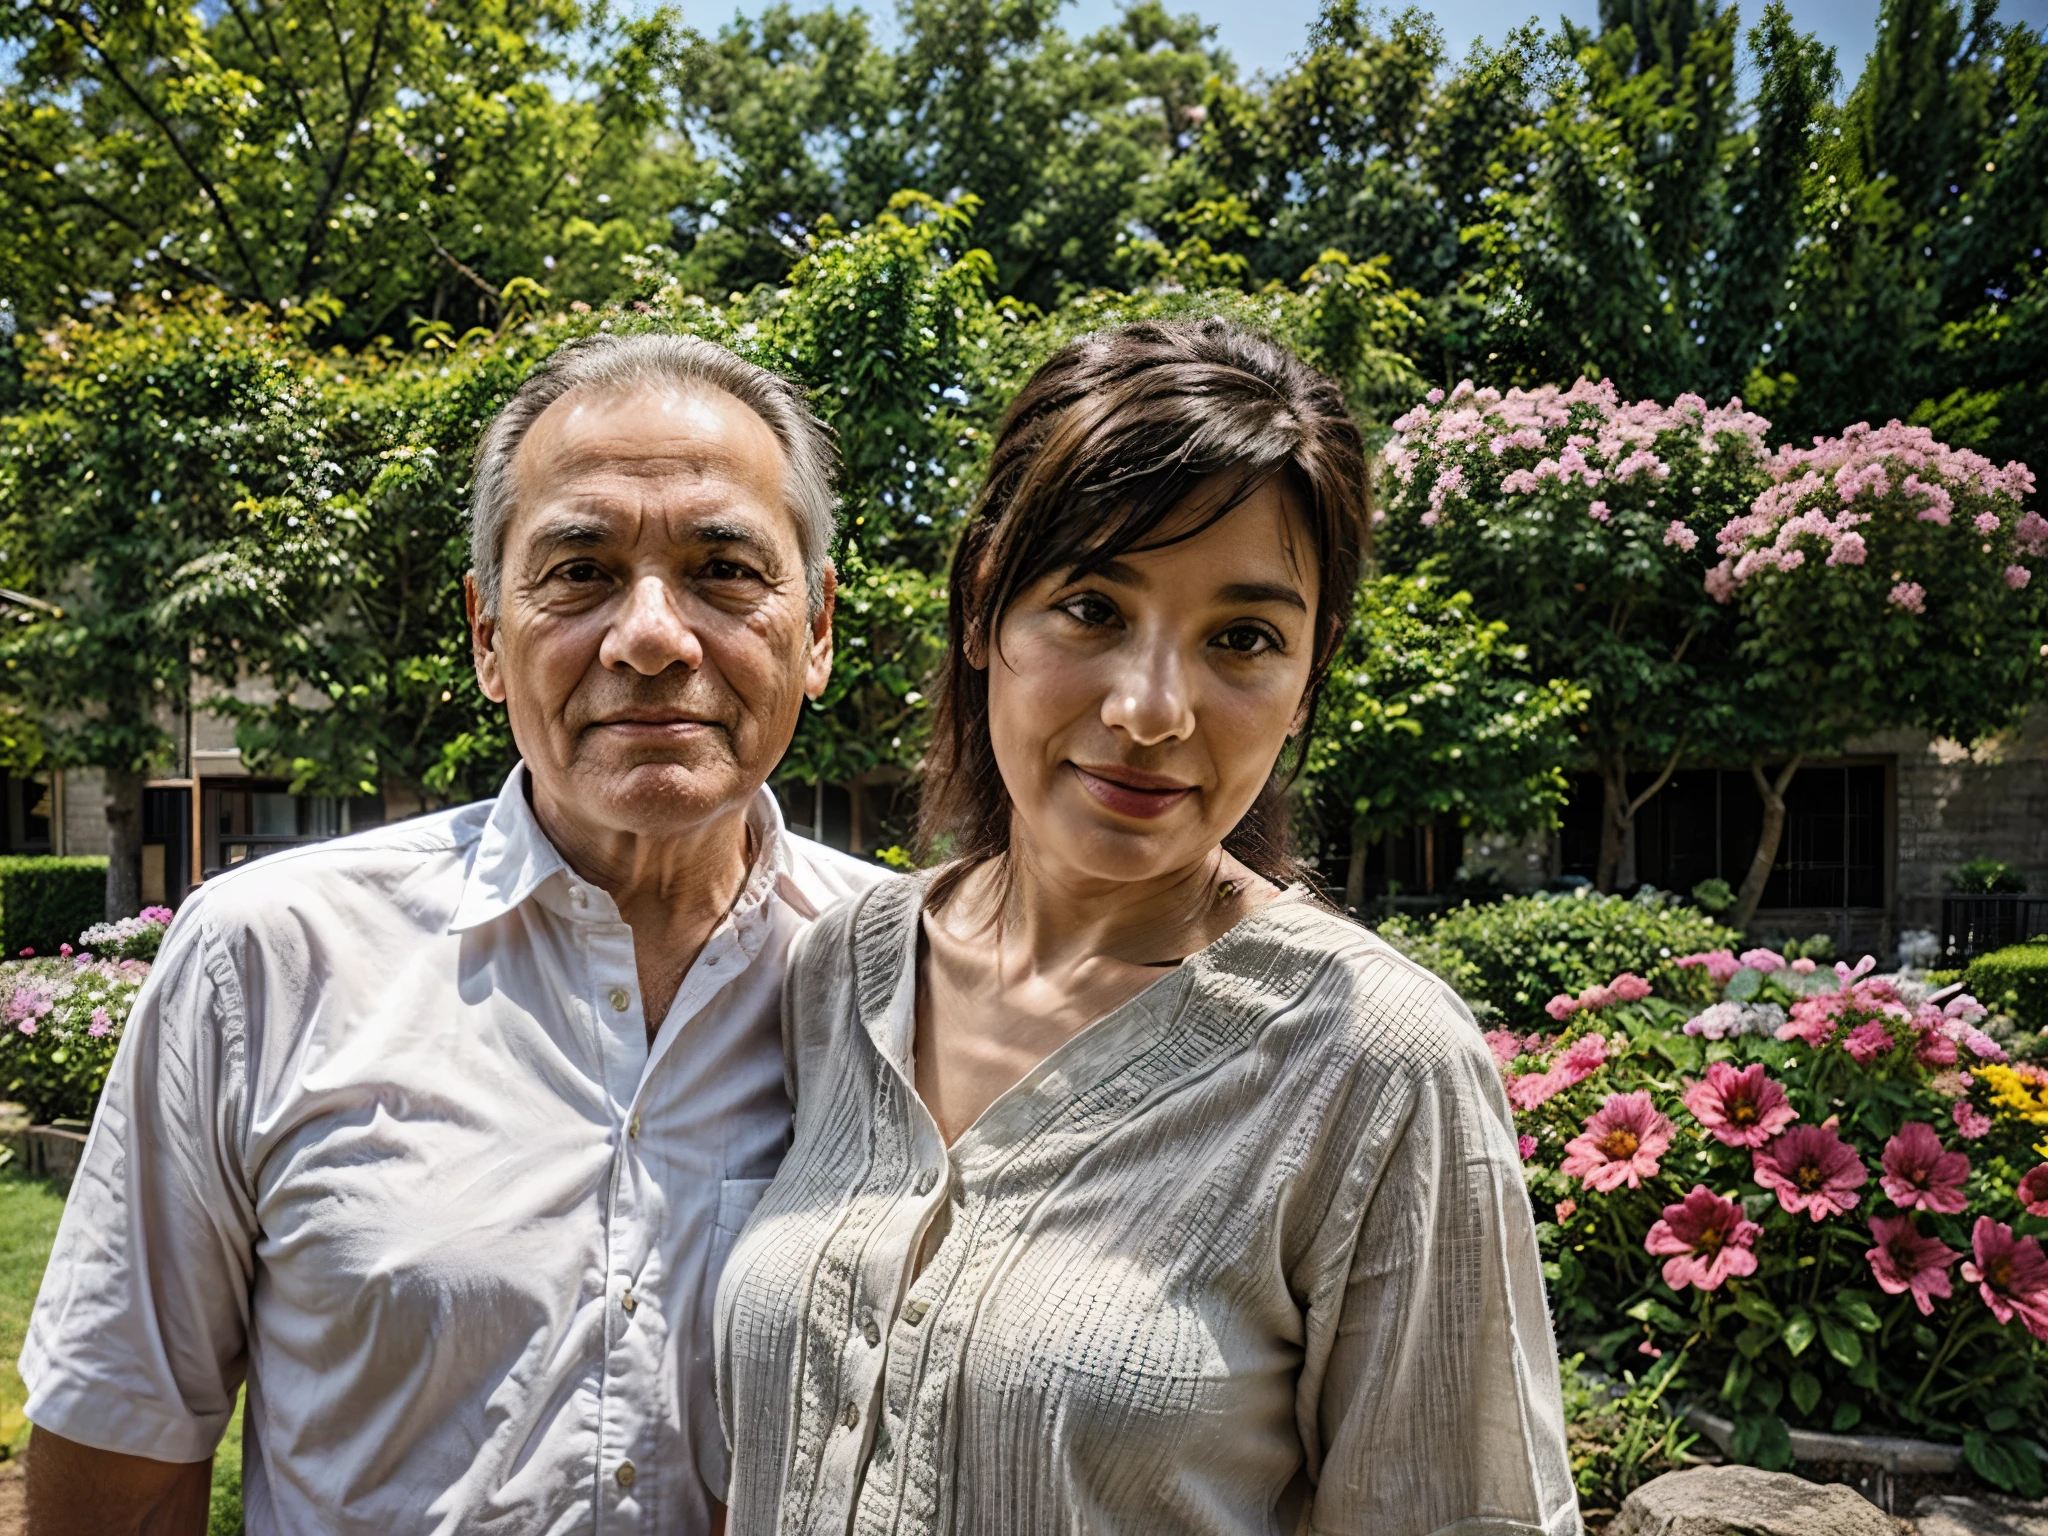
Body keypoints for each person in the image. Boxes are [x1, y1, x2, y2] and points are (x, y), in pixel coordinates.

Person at [717, 318, 1580, 1536]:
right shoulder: (838, 974)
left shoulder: (1371, 1064)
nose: (1151, 708)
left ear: (1305, 679)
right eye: (1089, 606)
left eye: (1242, 639)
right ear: (984, 614)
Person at [21, 333, 883, 1535]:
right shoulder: (266, 959)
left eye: (723, 569)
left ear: (818, 627)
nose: (651, 637)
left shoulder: (913, 981)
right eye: (578, 570)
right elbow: (119, 1463)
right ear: (487, 634)